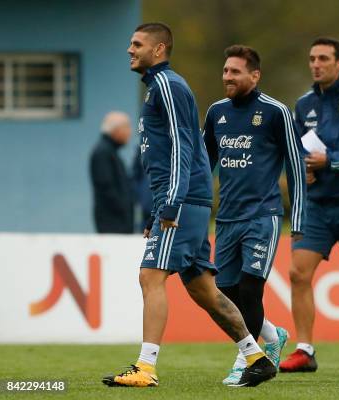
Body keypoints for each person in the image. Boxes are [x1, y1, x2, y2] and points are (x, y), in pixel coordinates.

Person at [103, 22, 276, 388]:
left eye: (137, 44)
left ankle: (145, 367)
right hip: (182, 202)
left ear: (159, 49)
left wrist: (170, 204)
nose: (130, 50)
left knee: (150, 276)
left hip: (181, 202)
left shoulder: (167, 85)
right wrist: (158, 209)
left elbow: (185, 148)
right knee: (204, 290)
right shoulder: (158, 89)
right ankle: (256, 356)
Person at [203, 45, 307, 385]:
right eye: (225, 71)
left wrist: (300, 217)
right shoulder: (216, 112)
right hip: (228, 218)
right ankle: (272, 335)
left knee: (250, 289)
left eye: (234, 71)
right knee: (224, 290)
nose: (227, 77)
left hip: (263, 216)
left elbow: (295, 165)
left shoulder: (276, 112)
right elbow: (205, 166)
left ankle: (247, 359)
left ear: (254, 75)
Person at [279, 37, 339, 374]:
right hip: (317, 206)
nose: (316, 64)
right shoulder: (303, 104)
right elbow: (294, 150)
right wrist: (301, 171)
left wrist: (331, 162)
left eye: (323, 58)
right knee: (297, 273)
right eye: (312, 59)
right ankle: (305, 350)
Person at [89, 111, 134, 233]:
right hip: (113, 223)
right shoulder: (103, 153)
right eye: (127, 127)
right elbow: (106, 188)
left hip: (116, 221)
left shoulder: (109, 151)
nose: (130, 132)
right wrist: (124, 207)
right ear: (116, 130)